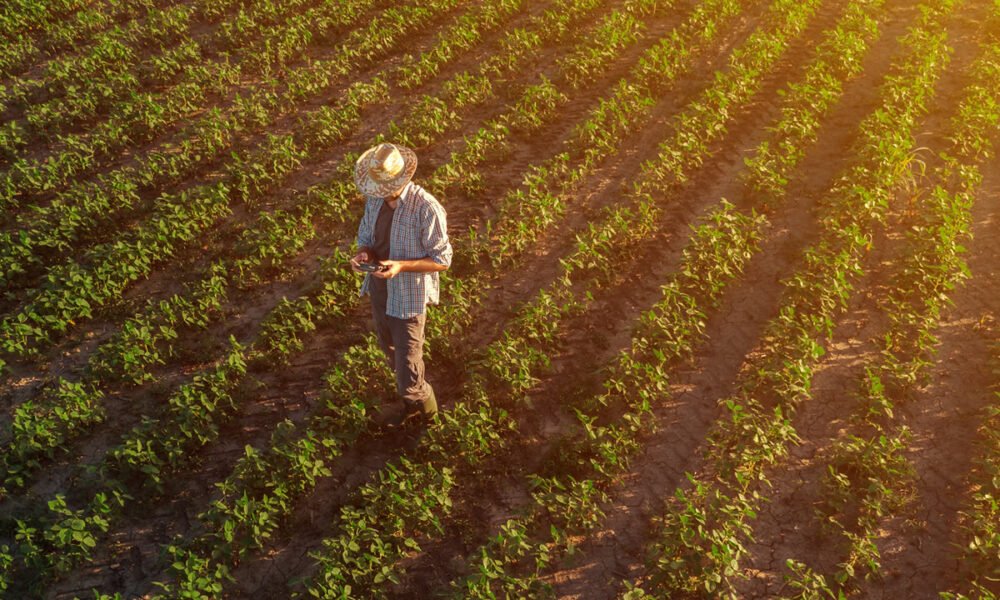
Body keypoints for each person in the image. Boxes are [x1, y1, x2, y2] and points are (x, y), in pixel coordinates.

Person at [349, 142, 452, 427]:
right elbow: (366, 237)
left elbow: (443, 260)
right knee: (390, 351)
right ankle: (412, 410)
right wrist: (363, 256)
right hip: (380, 290)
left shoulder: (426, 208)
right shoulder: (374, 200)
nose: (378, 192)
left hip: (408, 297)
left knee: (409, 374)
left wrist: (401, 266)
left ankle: (431, 424)